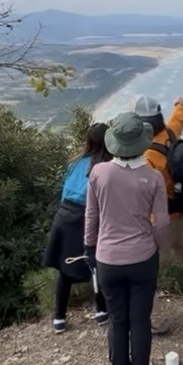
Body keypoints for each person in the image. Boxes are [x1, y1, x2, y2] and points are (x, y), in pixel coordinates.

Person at [85, 112, 170, 365]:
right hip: (143, 257)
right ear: (141, 142)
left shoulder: (98, 173)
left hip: (107, 258)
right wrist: (158, 248)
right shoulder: (153, 177)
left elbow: (91, 216)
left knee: (117, 319)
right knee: (140, 319)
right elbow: (162, 222)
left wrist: (89, 248)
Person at [134, 94, 183, 334]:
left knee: (148, 270)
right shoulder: (170, 132)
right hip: (180, 210)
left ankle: (154, 321)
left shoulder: (147, 155)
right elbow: (179, 115)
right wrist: (179, 102)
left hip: (161, 219)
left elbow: (146, 191)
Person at [42, 123, 112, 333]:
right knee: (98, 262)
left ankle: (59, 318)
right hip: (85, 215)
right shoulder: (104, 167)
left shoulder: (74, 163)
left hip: (64, 215)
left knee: (66, 269)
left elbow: (66, 190)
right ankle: (101, 311)